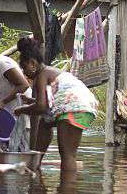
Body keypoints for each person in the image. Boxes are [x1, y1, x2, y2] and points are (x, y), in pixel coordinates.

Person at [14, 37, 98, 176]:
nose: (24, 73)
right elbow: (48, 102)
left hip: (74, 107)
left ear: (32, 63)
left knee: (67, 154)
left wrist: (21, 110)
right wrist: (30, 101)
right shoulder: (48, 72)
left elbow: (41, 107)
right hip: (78, 105)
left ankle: (66, 188)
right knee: (45, 123)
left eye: (24, 68)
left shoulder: (41, 75)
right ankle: (35, 165)